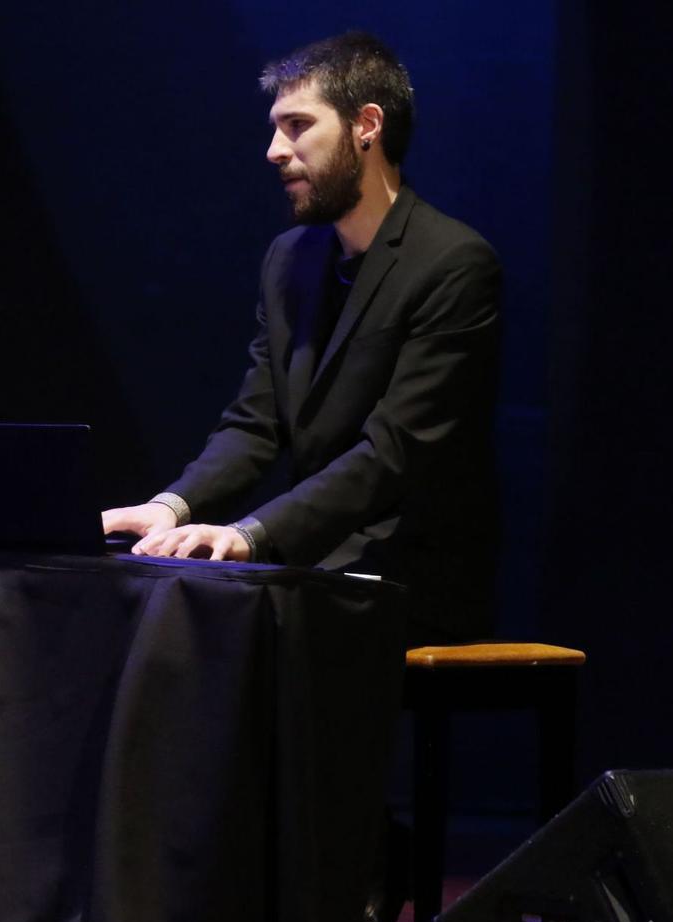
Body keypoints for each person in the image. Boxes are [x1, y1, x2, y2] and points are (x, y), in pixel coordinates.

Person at [102, 31, 500, 645]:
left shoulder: (453, 263)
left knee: (208, 632)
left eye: (296, 126)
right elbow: (256, 423)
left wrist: (250, 533)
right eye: (273, 127)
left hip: (405, 575)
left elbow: (392, 454)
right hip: (310, 561)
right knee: (149, 605)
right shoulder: (290, 258)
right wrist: (172, 507)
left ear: (366, 126)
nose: (272, 150)